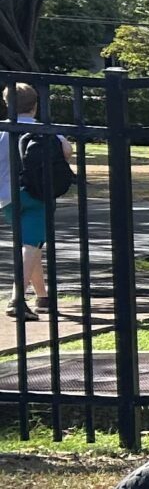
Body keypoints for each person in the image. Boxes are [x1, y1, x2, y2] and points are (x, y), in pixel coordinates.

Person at [4, 82, 69, 320]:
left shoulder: (3, 130)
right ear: (35, 106)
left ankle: (43, 297)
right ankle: (17, 298)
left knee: (31, 245)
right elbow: (66, 151)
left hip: (7, 197)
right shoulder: (46, 129)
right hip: (37, 193)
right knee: (31, 246)